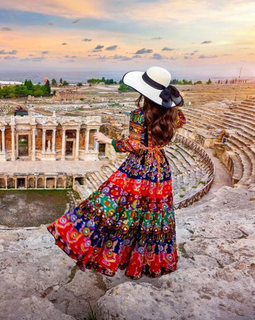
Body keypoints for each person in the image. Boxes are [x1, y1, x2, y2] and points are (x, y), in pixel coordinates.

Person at [47, 66, 186, 279]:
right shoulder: (175, 115)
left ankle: (103, 250)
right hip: (160, 168)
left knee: (110, 206)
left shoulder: (139, 116)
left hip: (138, 168)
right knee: (154, 214)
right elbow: (178, 123)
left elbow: (134, 145)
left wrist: (109, 141)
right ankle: (147, 263)